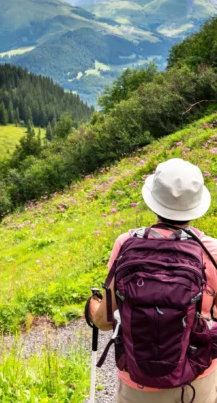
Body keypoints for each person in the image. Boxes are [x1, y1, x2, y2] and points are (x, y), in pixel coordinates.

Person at [87, 158, 217, 403]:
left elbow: (104, 322)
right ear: (197, 204)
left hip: (137, 383)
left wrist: (93, 307)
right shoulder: (212, 250)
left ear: (153, 200)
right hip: (196, 381)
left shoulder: (126, 244)